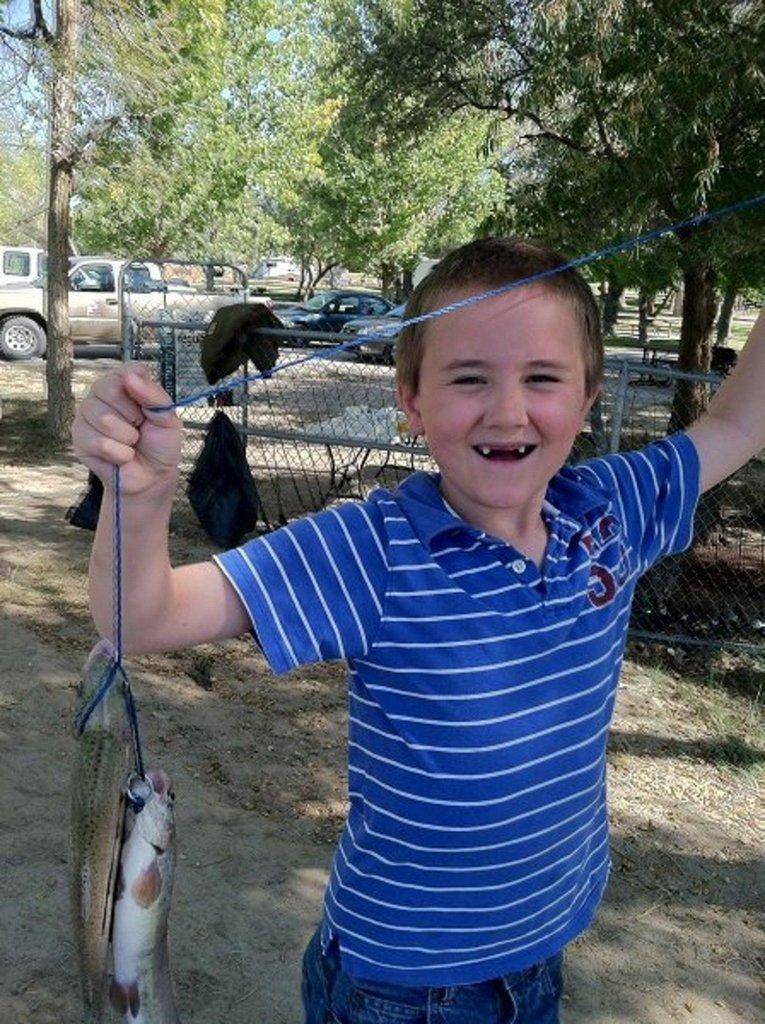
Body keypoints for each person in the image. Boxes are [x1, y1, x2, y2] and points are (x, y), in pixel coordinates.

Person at [73, 237, 765, 1024]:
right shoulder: (374, 548)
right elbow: (140, 618)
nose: (507, 410)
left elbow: (739, 420)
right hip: (407, 989)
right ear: (411, 402)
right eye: (468, 379)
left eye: (542, 378)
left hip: (540, 947)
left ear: (588, 396)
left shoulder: (611, 507)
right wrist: (138, 492)